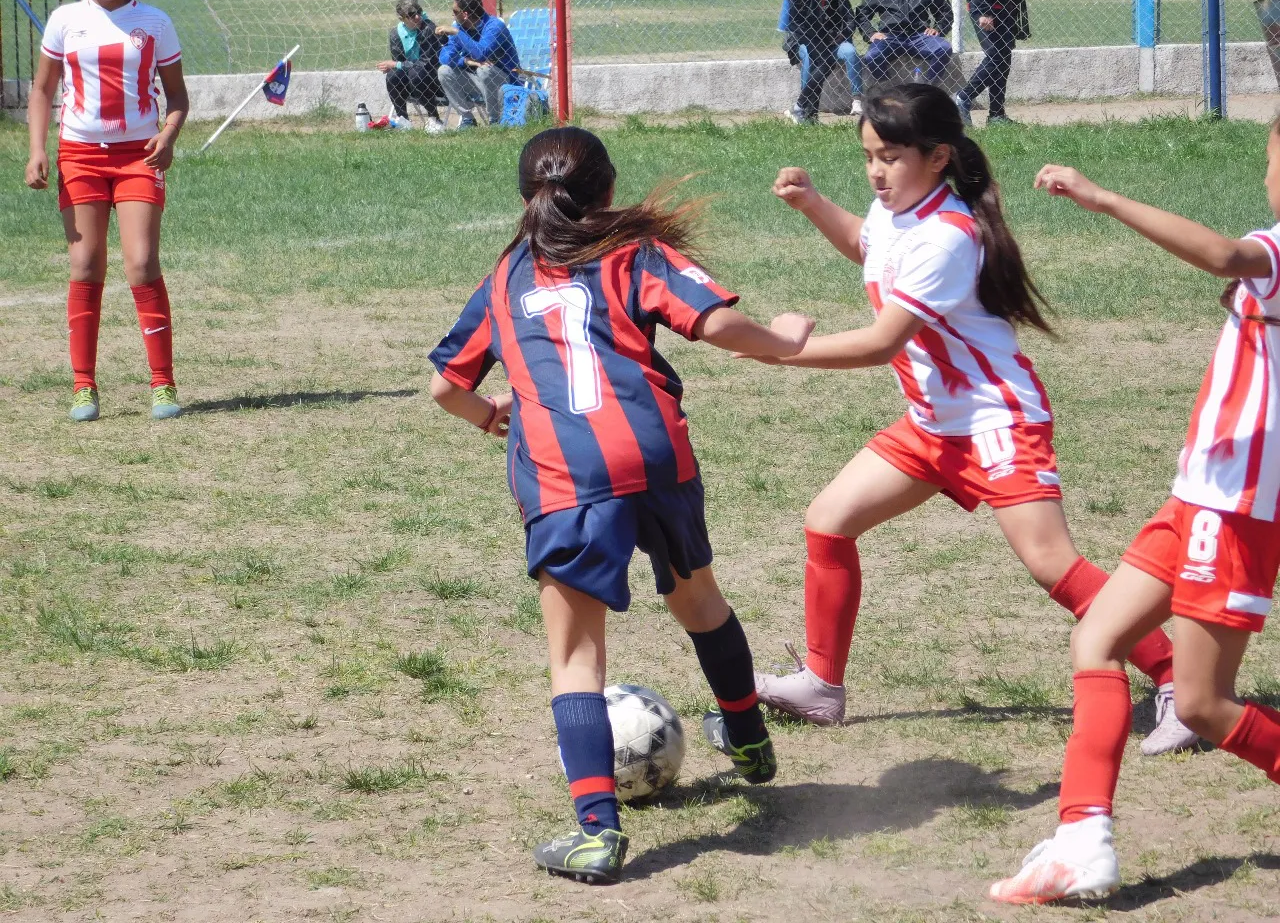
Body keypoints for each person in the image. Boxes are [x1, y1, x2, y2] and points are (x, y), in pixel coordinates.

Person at [744, 83, 1194, 758]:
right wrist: (814, 206)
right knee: (828, 520)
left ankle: (1178, 681)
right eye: (868, 155)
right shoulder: (897, 211)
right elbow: (871, 245)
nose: (875, 171)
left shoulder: (949, 237)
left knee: (1050, 564)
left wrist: (784, 352)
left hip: (994, 422)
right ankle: (820, 684)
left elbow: (880, 343)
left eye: (890, 157)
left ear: (938, 157)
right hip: (932, 425)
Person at [428, 127, 815, 883]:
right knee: (698, 597)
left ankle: (596, 833)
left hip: (567, 478)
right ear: (606, 192)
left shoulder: (506, 276)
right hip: (656, 453)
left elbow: (446, 385)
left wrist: (491, 416)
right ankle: (747, 739)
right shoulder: (634, 250)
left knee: (575, 656)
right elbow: (714, 322)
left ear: (526, 197)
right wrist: (785, 341)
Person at [989, 120, 1280, 904]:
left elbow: (1226, 255)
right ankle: (1083, 840)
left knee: (1204, 706)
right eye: (1273, 161)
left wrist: (1102, 196)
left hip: (1234, 508)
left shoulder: (1276, 251)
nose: (1269, 178)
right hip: (1196, 498)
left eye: (1276, 162)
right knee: (1099, 636)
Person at [24, 0, 187, 422]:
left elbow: (177, 96)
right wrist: (37, 149)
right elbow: (41, 89)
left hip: (139, 156)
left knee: (140, 262)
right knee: (85, 263)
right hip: (79, 156)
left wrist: (168, 135)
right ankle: (83, 387)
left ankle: (162, 382)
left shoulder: (155, 22)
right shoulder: (64, 21)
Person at [780, 0, 862, 125]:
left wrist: (835, 31)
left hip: (820, 28)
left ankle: (809, 115)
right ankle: (800, 106)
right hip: (804, 26)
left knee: (824, 64)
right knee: (822, 64)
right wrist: (805, 21)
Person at [955, 0, 1032, 126]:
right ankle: (963, 97)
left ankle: (996, 113)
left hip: (1007, 3)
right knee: (996, 56)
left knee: (1004, 57)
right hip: (987, 8)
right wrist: (982, 11)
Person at [853, 0, 953, 87]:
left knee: (944, 48)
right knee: (872, 56)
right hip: (890, 37)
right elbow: (862, 13)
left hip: (919, 35)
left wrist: (938, 28)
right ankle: (889, 91)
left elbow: (944, 10)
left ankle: (928, 88)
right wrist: (870, 33)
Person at [436, 0, 519, 128]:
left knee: (485, 70)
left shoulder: (494, 26)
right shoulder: (460, 28)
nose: (453, 16)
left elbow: (481, 53)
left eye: (455, 12)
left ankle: (495, 120)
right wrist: (466, 61)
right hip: (477, 82)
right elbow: (444, 58)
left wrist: (456, 33)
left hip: (504, 82)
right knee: (444, 70)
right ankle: (467, 119)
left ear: (465, 14)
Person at [376, 0, 445, 134]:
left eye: (419, 12)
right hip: (411, 81)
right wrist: (395, 66)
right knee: (393, 75)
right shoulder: (396, 34)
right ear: (402, 18)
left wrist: (396, 64)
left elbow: (426, 63)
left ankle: (434, 118)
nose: (417, 17)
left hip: (432, 81)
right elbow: (398, 65)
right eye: (411, 15)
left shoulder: (428, 28)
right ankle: (403, 119)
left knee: (416, 73)